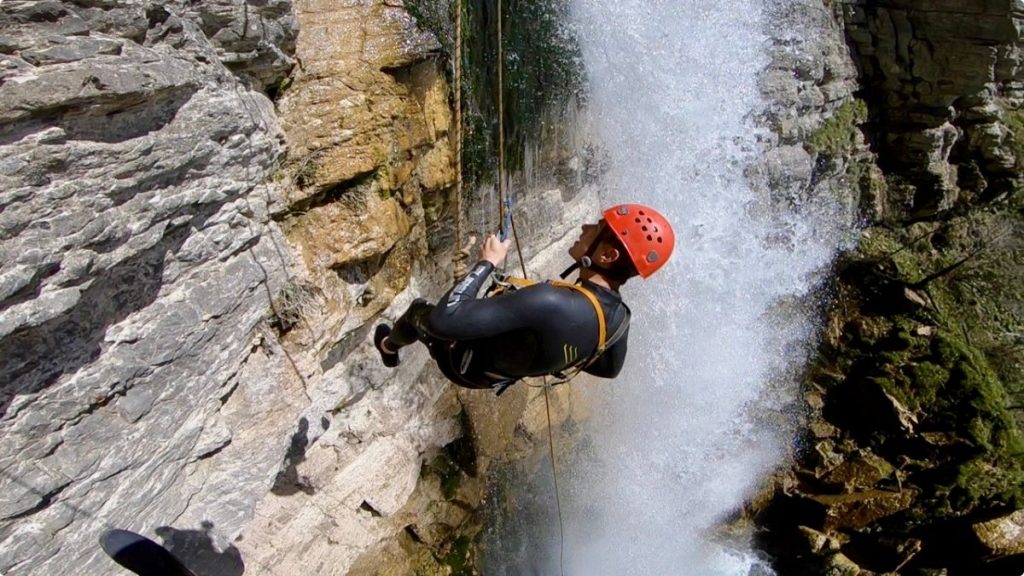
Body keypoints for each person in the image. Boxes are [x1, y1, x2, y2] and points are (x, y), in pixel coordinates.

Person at [373, 204, 675, 392]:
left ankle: (388, 346)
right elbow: (609, 369)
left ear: (607, 255)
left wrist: (487, 263)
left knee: (419, 311)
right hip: (491, 377)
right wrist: (546, 349)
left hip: (458, 360)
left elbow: (444, 321)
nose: (585, 227)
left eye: (596, 229)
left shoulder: (551, 302)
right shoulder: (620, 318)